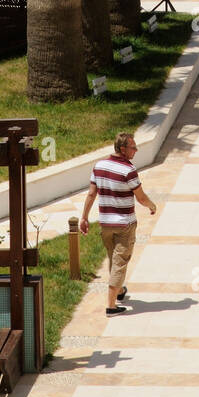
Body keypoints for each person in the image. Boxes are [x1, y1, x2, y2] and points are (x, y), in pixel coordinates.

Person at [79, 132, 157, 315]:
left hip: (105, 223)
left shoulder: (99, 166)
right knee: (120, 262)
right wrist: (152, 205)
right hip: (124, 224)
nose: (136, 150)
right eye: (133, 147)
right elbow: (141, 197)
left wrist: (84, 217)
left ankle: (120, 291)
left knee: (114, 258)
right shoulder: (128, 170)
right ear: (122, 149)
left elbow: (91, 194)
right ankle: (111, 306)